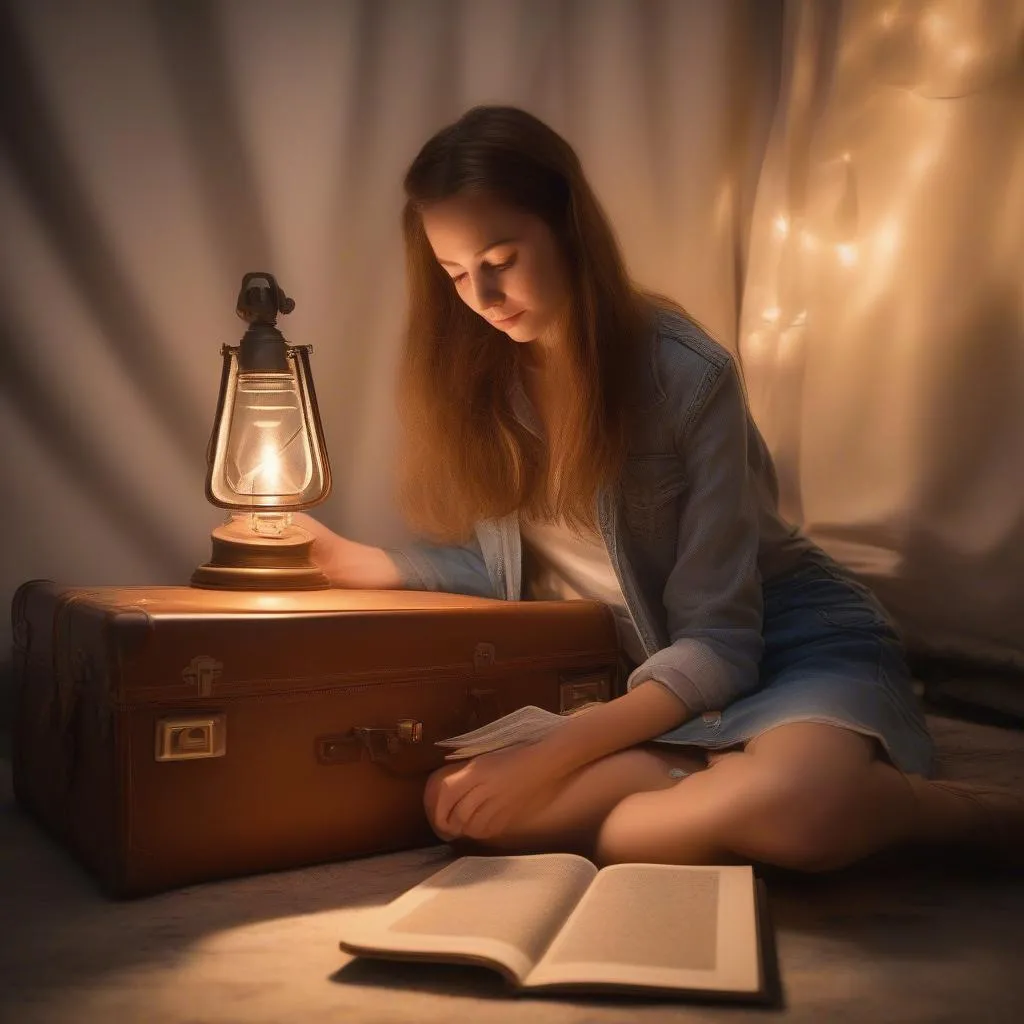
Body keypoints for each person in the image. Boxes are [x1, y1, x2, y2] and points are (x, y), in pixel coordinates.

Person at [299, 105, 1021, 871]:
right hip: (653, 685)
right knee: (465, 810)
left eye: (501, 257)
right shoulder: (482, 379)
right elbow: (528, 566)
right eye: (454, 274)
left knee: (800, 819)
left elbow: (721, 639)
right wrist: (374, 563)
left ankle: (949, 814)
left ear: (569, 229)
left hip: (786, 643)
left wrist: (555, 754)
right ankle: (715, 778)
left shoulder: (686, 374)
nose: (480, 293)